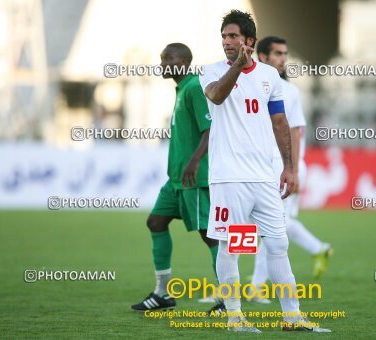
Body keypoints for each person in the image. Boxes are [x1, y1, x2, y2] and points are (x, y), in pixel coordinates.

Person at [200, 10, 330, 333]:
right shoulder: (212, 71)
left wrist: (289, 167)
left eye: (233, 36)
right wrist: (237, 67)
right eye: (224, 36)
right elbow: (217, 96)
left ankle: (292, 317)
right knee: (233, 246)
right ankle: (234, 317)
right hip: (229, 177)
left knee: (277, 243)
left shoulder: (269, 76)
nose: (226, 42)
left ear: (249, 40)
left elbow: (280, 122)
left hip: (264, 178)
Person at [131, 43, 220, 312]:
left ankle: (228, 298)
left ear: (184, 61)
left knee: (210, 236)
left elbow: (210, 129)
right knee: (156, 221)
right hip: (175, 180)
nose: (162, 64)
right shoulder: (180, 89)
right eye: (161, 59)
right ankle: (162, 294)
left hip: (194, 178)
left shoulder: (194, 87)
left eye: (168, 58)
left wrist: (194, 161)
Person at [248, 36, 334, 304]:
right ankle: (320, 248)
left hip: (284, 167)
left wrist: (292, 170)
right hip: (262, 166)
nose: (284, 59)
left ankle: (256, 286)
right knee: (277, 225)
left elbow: (296, 133)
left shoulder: (289, 91)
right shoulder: (250, 86)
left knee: (270, 227)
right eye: (278, 54)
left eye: (285, 53)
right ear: (261, 56)